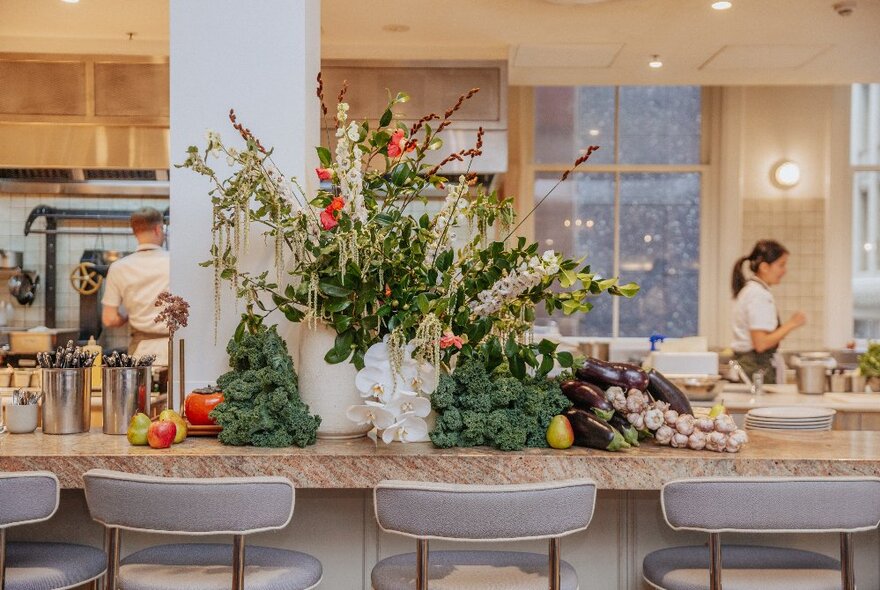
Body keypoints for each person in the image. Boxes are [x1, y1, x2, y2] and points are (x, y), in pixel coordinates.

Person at [730, 239, 806, 383]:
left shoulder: (752, 291)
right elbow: (761, 343)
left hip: (750, 368)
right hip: (754, 369)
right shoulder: (758, 295)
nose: (784, 271)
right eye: (781, 265)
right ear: (764, 267)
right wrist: (792, 324)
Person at [101, 207, 170, 364]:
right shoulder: (175, 262)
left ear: (135, 232)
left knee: (141, 388)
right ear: (158, 229)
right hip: (175, 349)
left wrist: (125, 316)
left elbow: (109, 319)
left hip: (140, 351)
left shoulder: (119, 267)